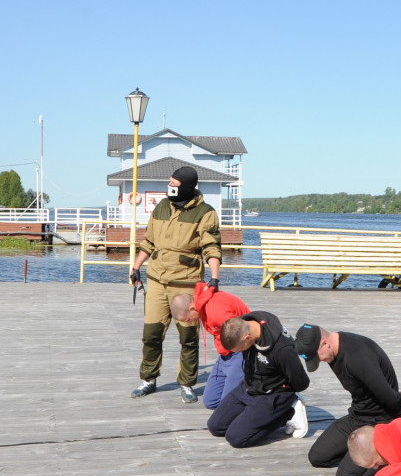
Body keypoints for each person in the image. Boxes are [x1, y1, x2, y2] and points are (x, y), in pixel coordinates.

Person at [128, 166, 222, 404]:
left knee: (188, 337)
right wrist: (136, 266)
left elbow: (211, 246)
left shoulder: (205, 212)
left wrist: (214, 278)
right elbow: (149, 241)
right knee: (151, 334)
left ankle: (188, 383)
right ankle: (148, 379)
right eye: (169, 181)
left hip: (187, 283)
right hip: (157, 280)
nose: (169, 186)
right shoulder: (161, 207)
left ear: (187, 187)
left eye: (174, 183)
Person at [294, 324, 401, 476]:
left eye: (316, 356)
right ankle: (359, 454)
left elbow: (390, 398)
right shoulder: (333, 351)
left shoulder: (358, 357)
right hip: (358, 415)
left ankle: (396, 455)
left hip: (382, 420)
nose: (318, 361)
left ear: (325, 342)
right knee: (317, 457)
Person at [207, 312, 310, 447]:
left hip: (273, 394)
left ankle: (288, 413)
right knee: (215, 426)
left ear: (247, 338)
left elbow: (302, 382)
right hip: (249, 386)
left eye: (240, 349)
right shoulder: (246, 322)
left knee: (236, 438)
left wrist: (286, 394)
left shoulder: (282, 349)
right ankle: (255, 416)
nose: (239, 352)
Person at [169, 283, 251, 409]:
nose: (190, 323)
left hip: (240, 350)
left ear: (192, 308)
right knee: (211, 402)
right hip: (225, 353)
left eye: (187, 320)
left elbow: (243, 333)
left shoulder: (215, 311)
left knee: (228, 404)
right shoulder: (202, 306)